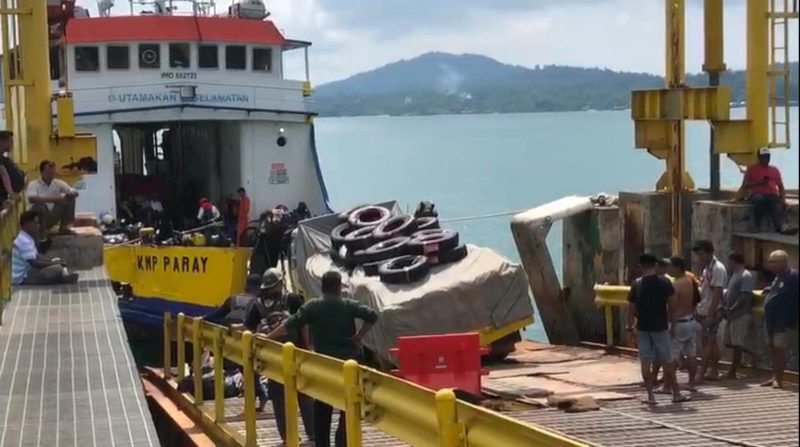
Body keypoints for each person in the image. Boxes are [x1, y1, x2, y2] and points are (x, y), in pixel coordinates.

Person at [266, 271, 379, 447]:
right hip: (347, 364)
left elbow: (289, 325)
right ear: (338, 286)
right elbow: (372, 315)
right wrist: (359, 335)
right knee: (347, 408)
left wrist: (267, 338)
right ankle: (342, 441)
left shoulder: (313, 306)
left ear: (322, 286)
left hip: (323, 365)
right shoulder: (348, 305)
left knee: (322, 407)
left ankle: (322, 442)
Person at [254, 269, 315, 445]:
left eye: (272, 286)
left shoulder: (285, 300)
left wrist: (308, 349)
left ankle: (302, 436)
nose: (271, 290)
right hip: (284, 355)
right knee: (288, 396)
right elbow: (250, 326)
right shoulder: (267, 302)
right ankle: (296, 436)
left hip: (287, 354)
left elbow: (303, 324)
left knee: (296, 395)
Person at [203, 272, 271, 411]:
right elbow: (264, 324)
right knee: (252, 375)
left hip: (230, 343)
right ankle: (260, 401)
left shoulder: (232, 299)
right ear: (259, 288)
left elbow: (215, 316)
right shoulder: (257, 303)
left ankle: (252, 400)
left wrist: (201, 318)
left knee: (243, 373)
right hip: (249, 343)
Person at [626, 253, 687, 405]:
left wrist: (629, 327)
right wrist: (673, 325)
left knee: (645, 361)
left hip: (643, 328)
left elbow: (631, 309)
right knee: (667, 360)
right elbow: (673, 307)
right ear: (655, 265)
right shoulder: (665, 282)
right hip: (661, 327)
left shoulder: (637, 284)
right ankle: (676, 394)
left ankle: (650, 396)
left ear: (641, 266)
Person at [761, 250, 799, 389]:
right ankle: (774, 375)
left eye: (773, 262)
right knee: (773, 349)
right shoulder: (778, 277)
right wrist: (770, 289)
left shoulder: (793, 276)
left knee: (779, 349)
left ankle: (779, 378)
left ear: (783, 262)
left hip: (783, 320)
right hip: (771, 319)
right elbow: (779, 289)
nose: (770, 264)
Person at [12, 210, 79, 285]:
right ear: (27, 224)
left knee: (57, 261)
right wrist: (53, 264)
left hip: (29, 270)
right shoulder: (23, 241)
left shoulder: (27, 237)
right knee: (57, 269)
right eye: (35, 223)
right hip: (23, 276)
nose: (38, 226)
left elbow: (36, 256)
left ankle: (63, 277)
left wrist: (52, 261)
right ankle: (62, 279)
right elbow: (35, 263)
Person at [692, 239, 727, 383]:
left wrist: (711, 315)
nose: (699, 258)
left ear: (709, 252)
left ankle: (700, 374)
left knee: (706, 341)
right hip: (704, 308)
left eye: (701, 255)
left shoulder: (717, 269)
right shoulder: (707, 268)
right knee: (711, 341)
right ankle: (714, 370)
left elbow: (717, 293)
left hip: (711, 310)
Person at [718, 252, 758, 379]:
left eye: (730, 262)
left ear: (735, 261)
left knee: (737, 343)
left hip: (740, 314)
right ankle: (753, 353)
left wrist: (733, 307)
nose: (728, 264)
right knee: (728, 342)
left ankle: (732, 371)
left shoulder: (745, 275)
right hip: (730, 314)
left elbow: (744, 295)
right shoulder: (734, 274)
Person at [663, 256, 699, 392]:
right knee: (691, 354)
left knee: (671, 357)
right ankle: (691, 383)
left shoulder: (676, 284)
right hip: (690, 320)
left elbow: (671, 306)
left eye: (670, 266)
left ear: (677, 267)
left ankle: (668, 385)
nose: (668, 269)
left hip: (678, 323)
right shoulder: (690, 281)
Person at [26, 160, 79, 241]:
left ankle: (65, 227)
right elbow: (32, 199)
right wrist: (56, 199)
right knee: (39, 206)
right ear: (42, 171)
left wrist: (72, 194)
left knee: (70, 199)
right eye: (49, 169)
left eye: (53, 169)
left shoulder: (58, 183)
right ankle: (41, 233)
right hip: (39, 218)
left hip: (53, 215)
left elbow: (72, 191)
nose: (52, 171)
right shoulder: (34, 184)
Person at [739, 148, 787, 233]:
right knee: (759, 200)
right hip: (757, 194)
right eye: (764, 157)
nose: (766, 159)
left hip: (771, 194)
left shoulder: (774, 170)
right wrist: (760, 182)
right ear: (760, 157)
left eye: (768, 156)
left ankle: (779, 226)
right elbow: (745, 185)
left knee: (774, 202)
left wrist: (783, 198)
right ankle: (756, 225)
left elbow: (780, 186)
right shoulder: (752, 169)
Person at [0, 131, 25, 203]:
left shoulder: (4, 158)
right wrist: (11, 192)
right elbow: (3, 172)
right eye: (10, 141)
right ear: (2, 142)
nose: (12, 144)